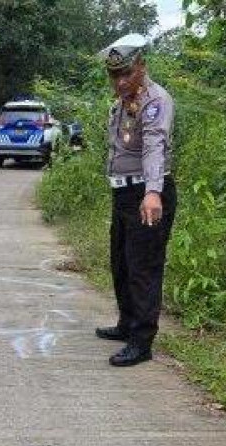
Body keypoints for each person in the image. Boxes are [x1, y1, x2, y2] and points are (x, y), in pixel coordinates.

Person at [94, 34, 178, 367]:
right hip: (125, 193)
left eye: (127, 73)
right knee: (122, 262)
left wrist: (153, 192)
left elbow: (154, 146)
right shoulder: (121, 103)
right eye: (115, 75)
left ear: (142, 66)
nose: (121, 80)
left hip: (148, 194)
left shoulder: (155, 101)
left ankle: (141, 342)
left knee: (143, 267)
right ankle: (127, 323)